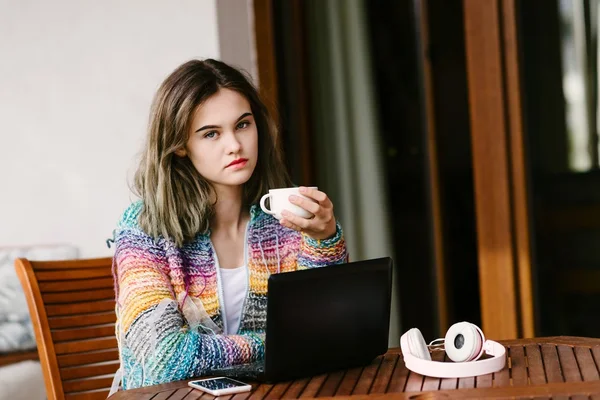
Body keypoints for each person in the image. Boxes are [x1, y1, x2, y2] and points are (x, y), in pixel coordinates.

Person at [112, 59, 349, 390]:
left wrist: (323, 240)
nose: (235, 145)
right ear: (180, 145)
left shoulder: (281, 221)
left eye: (242, 125)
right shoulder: (145, 230)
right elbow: (166, 359)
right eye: (211, 134)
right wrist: (275, 345)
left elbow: (329, 329)